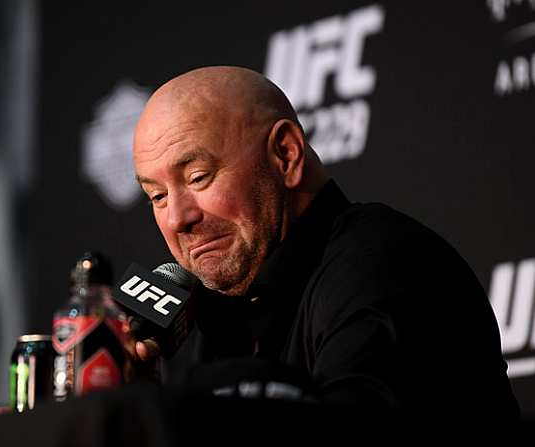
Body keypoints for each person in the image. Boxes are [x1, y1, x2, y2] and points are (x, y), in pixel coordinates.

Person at [129, 65, 519, 420]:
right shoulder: (186, 324)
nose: (178, 218)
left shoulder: (387, 265)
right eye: (157, 196)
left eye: (199, 177)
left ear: (286, 154)